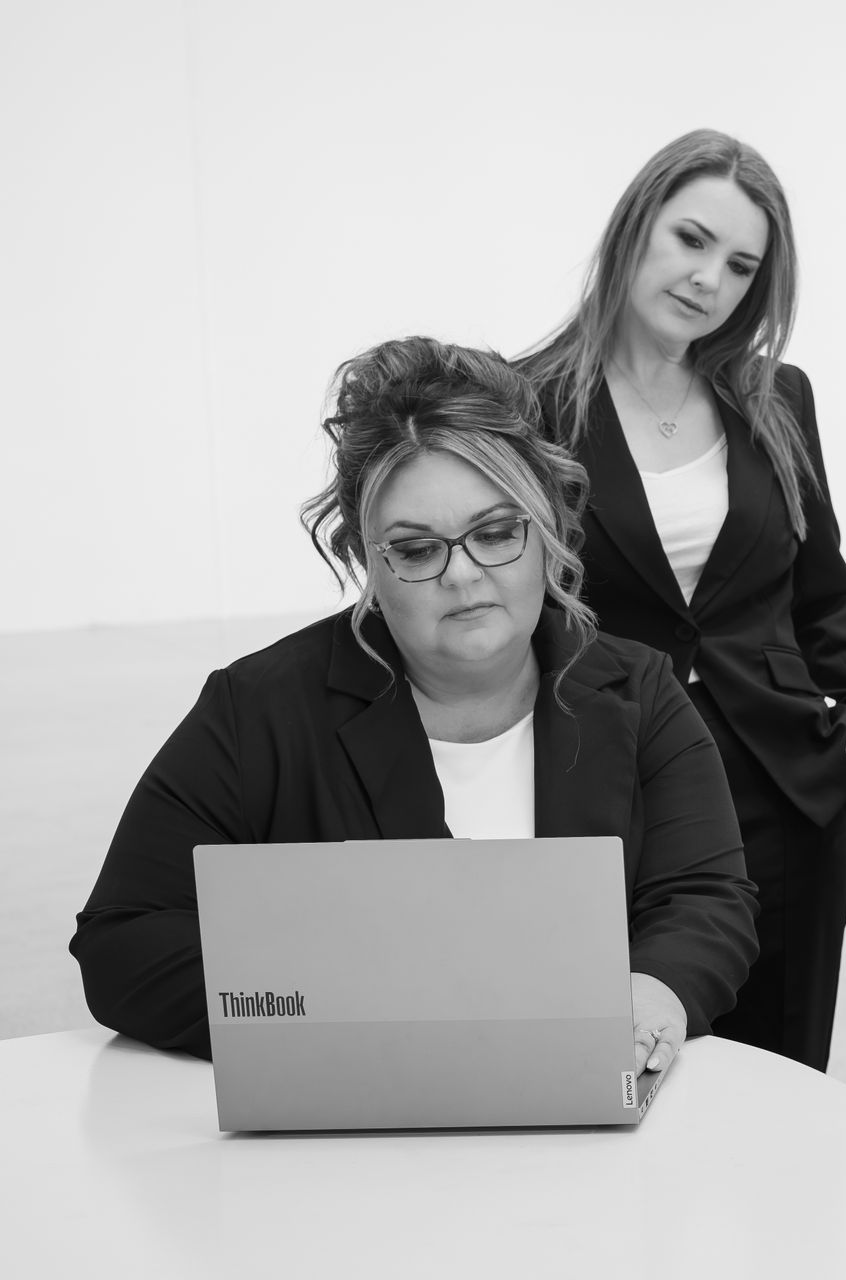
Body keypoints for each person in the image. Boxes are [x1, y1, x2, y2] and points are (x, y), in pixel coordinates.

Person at [70, 337, 759, 1072]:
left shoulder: (641, 693)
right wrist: (362, 1015)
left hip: (584, 1112)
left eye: (495, 533)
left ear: (548, 528)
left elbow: (707, 899)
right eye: (418, 549)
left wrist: (651, 993)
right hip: (352, 1135)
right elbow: (126, 939)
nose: (463, 575)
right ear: (367, 560)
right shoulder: (257, 710)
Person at [522, 129, 846, 1072]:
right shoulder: (523, 405)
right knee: (616, 1074)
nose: (709, 281)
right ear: (635, 226)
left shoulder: (778, 399)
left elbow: (823, 590)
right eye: (691, 240)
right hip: (609, 790)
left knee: (780, 1087)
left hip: (782, 793)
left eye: (740, 266)